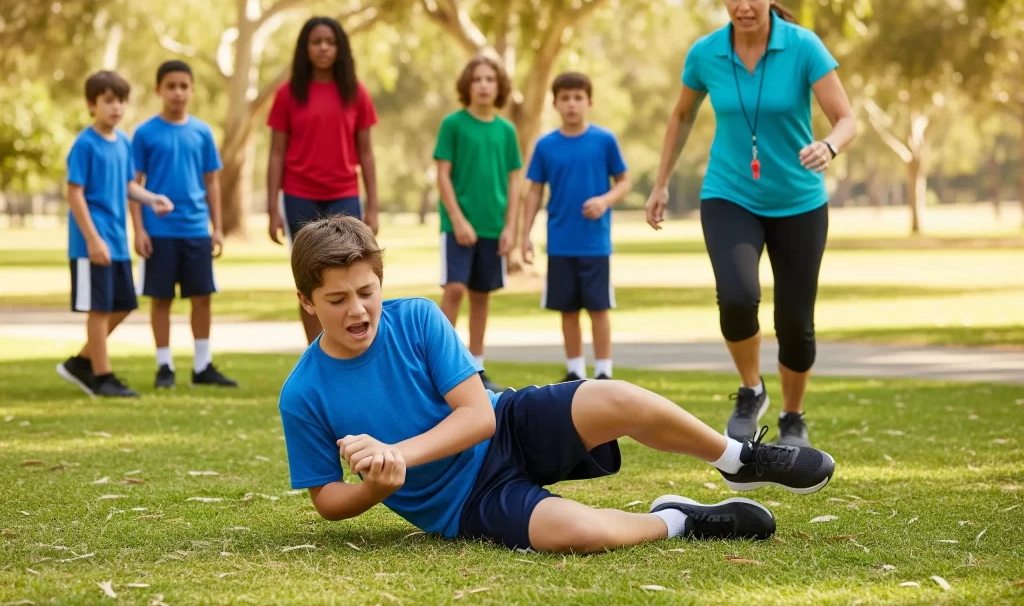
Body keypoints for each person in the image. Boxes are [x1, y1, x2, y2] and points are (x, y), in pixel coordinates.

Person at [277, 215, 836, 554]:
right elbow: (328, 501)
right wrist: (380, 485)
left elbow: (479, 417)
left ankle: (736, 458)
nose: (358, 310)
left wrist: (395, 452)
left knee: (612, 395)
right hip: (466, 503)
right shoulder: (303, 394)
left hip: (508, 427)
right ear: (306, 301)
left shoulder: (418, 318)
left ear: (381, 282)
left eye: (367, 291)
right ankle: (679, 521)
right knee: (577, 533)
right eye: (336, 299)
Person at [645, 0, 858, 448]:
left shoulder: (803, 47)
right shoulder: (706, 54)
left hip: (800, 201)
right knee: (738, 298)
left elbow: (846, 118)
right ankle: (750, 388)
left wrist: (829, 146)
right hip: (730, 193)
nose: (744, 5)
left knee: (795, 322)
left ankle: (792, 418)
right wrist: (660, 183)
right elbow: (680, 116)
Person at [57, 70, 175, 398]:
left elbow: (128, 186)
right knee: (100, 309)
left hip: (117, 242)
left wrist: (152, 199)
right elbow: (75, 193)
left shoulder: (123, 142)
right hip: (91, 242)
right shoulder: (84, 144)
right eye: (109, 101)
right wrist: (93, 239)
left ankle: (81, 361)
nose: (116, 107)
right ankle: (102, 375)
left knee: (123, 304)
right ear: (91, 105)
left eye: (121, 101)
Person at [267, 16, 380, 344]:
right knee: (309, 275)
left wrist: (372, 205)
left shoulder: (355, 93)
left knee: (351, 272)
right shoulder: (288, 94)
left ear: (340, 48)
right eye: (316, 42)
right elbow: (276, 153)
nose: (323, 48)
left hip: (344, 193)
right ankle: (316, 350)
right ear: (305, 49)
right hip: (299, 193)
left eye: (330, 42)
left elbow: (368, 153)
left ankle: (349, 344)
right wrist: (274, 208)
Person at [129, 60, 238, 389]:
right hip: (159, 232)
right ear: (158, 90)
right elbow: (133, 184)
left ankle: (202, 366)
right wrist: (139, 229)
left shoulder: (202, 132)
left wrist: (216, 227)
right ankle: (165, 367)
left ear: (192, 90)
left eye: (183, 86)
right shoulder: (145, 133)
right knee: (160, 300)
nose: (177, 92)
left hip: (195, 230)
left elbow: (212, 183)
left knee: (201, 297)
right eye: (171, 86)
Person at [520, 72, 631, 382]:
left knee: (598, 309)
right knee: (567, 310)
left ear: (589, 102)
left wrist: (605, 201)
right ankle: (575, 371)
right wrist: (525, 235)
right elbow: (533, 192)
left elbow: (624, 182)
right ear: (555, 104)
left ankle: (604, 372)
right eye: (565, 98)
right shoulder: (546, 146)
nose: (572, 104)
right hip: (560, 243)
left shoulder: (604, 141)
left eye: (578, 98)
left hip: (595, 244)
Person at [434, 54, 522, 393]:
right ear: (467, 86)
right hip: (458, 226)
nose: (484, 85)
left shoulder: (506, 130)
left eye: (490, 79)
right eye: (477, 79)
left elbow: (515, 181)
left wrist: (509, 227)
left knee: (482, 296)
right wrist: (457, 220)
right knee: (455, 289)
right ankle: (439, 364)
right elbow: (442, 176)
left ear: (498, 87)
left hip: (492, 227)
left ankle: (476, 366)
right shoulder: (453, 125)